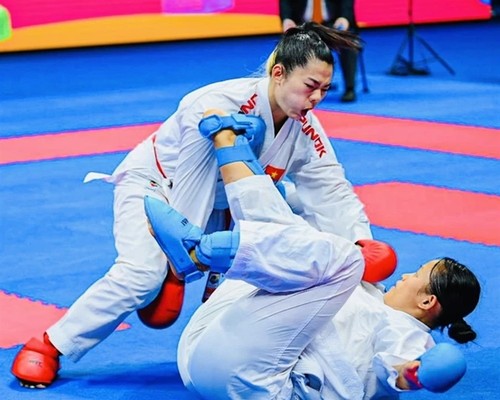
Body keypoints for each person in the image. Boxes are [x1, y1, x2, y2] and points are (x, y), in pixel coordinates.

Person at [11, 22, 371, 388]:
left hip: (221, 207)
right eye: (310, 87)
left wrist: (360, 241)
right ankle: (50, 344)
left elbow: (330, 188)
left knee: (270, 267)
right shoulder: (216, 104)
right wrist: (182, 262)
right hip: (155, 187)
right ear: (278, 74)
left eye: (325, 90)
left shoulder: (304, 128)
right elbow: (191, 181)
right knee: (143, 274)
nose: (317, 99)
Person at [145, 123, 481, 399]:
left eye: (417, 275)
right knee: (296, 244)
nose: (405, 275)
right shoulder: (370, 292)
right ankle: (229, 140)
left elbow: (396, 371)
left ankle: (196, 254)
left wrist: (416, 374)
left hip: (264, 383)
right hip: (201, 351)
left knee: (343, 260)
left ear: (428, 300)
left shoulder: (407, 333)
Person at [280, 0, 360, 102]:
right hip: (303, 24)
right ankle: (295, 88)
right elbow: (285, 2)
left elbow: (346, 2)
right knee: (290, 43)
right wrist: (287, 19)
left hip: (332, 23)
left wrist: (344, 18)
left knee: (346, 43)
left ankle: (350, 88)